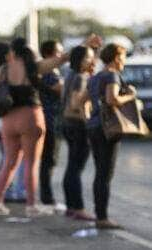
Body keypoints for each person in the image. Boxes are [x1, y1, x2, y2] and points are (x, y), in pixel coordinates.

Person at [0, 37, 68, 217]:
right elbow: (61, 59)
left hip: (8, 119)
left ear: (13, 52)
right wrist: (86, 45)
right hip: (30, 117)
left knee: (9, 163)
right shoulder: (34, 67)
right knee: (31, 163)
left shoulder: (3, 69)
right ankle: (31, 205)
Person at [87, 43, 135, 229]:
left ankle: (99, 214)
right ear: (116, 58)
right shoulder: (112, 75)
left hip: (94, 127)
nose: (124, 61)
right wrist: (130, 96)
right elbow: (112, 99)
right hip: (108, 129)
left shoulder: (96, 77)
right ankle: (102, 217)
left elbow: (81, 100)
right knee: (105, 174)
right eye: (123, 57)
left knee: (100, 172)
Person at [62, 45, 96, 221]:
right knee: (76, 168)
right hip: (78, 125)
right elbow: (76, 104)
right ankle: (78, 208)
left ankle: (70, 207)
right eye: (88, 58)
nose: (91, 61)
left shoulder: (70, 75)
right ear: (79, 60)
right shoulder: (81, 78)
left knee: (71, 167)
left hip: (68, 124)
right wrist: (88, 123)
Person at [38, 40, 66, 212]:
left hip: (52, 119)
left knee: (49, 161)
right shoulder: (49, 73)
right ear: (50, 53)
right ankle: (47, 198)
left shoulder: (51, 71)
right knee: (49, 160)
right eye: (59, 52)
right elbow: (62, 90)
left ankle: (46, 196)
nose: (61, 56)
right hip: (50, 120)